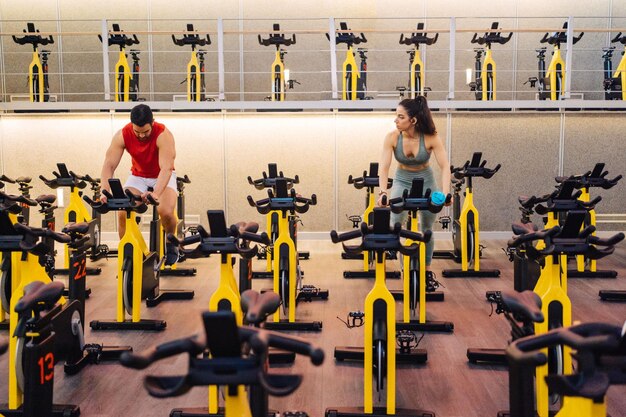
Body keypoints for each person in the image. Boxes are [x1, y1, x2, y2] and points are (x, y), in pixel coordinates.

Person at [377, 96, 451, 290]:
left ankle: (426, 272)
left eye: (400, 117)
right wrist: (383, 192)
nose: (396, 120)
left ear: (413, 120)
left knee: (427, 227)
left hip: (426, 180)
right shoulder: (392, 137)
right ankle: (404, 271)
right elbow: (384, 168)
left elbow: (445, 166)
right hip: (402, 178)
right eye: (396, 116)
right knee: (396, 222)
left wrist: (446, 193)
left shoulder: (431, 137)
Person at [100, 104, 180, 265]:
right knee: (123, 209)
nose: (141, 136)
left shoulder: (163, 135)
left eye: (145, 132)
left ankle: (171, 243)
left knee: (164, 211)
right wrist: (104, 191)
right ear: (132, 125)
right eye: (137, 132)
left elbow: (166, 168)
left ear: (153, 122)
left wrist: (156, 193)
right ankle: (127, 252)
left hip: (161, 175)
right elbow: (109, 165)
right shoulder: (122, 134)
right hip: (138, 176)